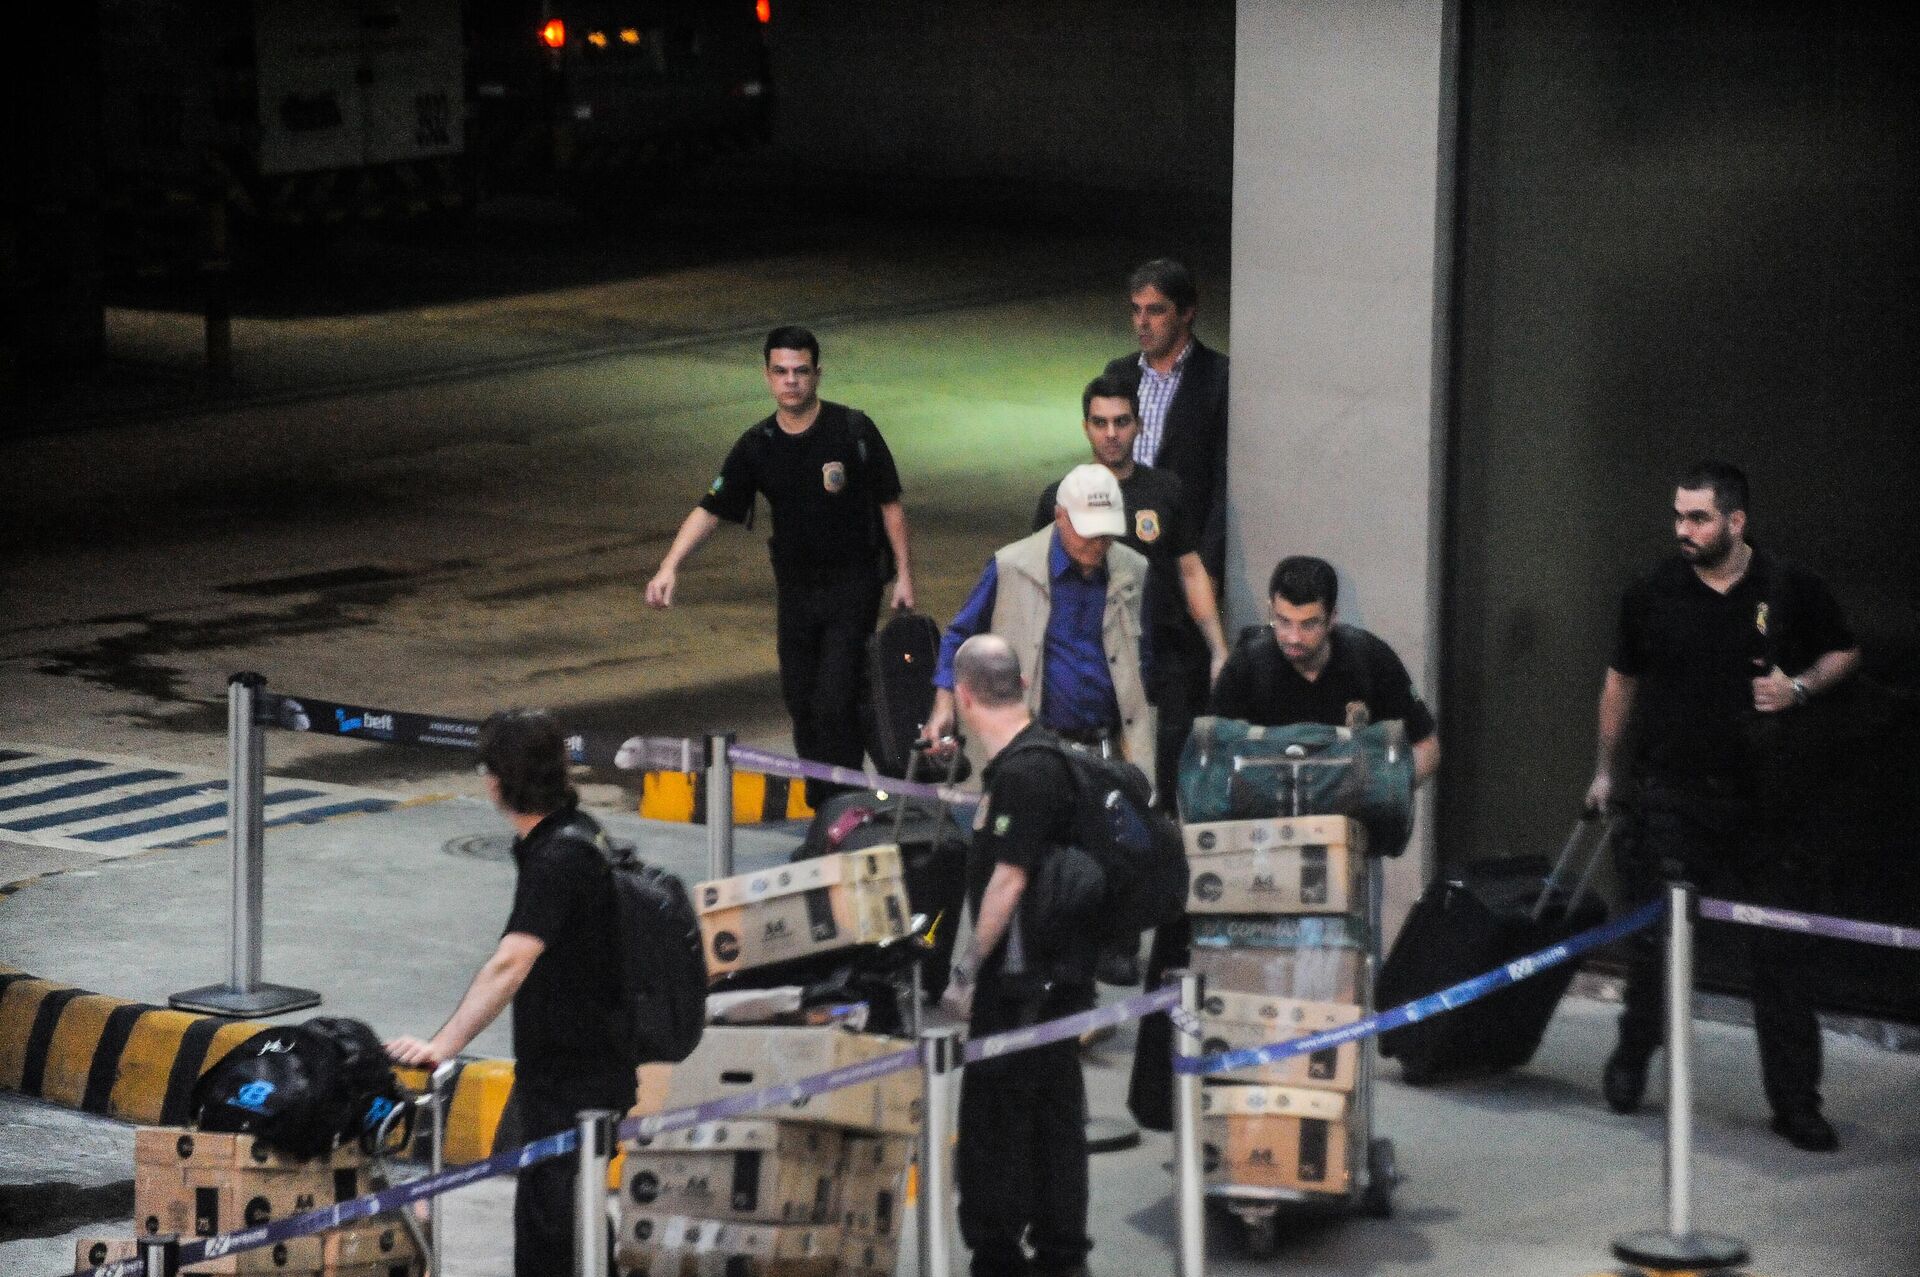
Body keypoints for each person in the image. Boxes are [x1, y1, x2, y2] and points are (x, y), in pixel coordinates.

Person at [1586, 461, 1859, 1151]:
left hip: (1767, 802)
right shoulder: (1651, 591)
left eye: (1698, 517)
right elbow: (1620, 681)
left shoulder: (1789, 587)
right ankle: (1630, 1057)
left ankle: (1797, 1102)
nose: (1684, 529)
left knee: (1782, 955)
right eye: (1678, 516)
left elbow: (1844, 652)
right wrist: (1603, 771)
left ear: (1736, 521)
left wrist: (1797, 688)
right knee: (1657, 947)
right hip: (1671, 794)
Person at [386, 709, 630, 1276]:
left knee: (554, 1229)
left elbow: (510, 964)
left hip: (577, 1073)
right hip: (581, 1062)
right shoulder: (574, 833)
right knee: (574, 1217)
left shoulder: (558, 857)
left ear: (496, 780)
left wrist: (442, 1044)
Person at [645, 326, 915, 805]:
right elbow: (712, 508)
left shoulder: (851, 430)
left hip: (854, 584)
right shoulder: (758, 444)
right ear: (767, 376)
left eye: (801, 371)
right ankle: (822, 806)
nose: (791, 381)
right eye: (781, 372)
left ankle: (845, 804)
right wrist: (671, 565)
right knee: (801, 701)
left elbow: (890, 502)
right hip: (796, 590)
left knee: (836, 700)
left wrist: (905, 577)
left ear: (817, 373)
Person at [941, 635, 1099, 1277]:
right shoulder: (1044, 758)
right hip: (1057, 978)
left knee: (998, 1119)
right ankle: (1060, 1250)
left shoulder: (1026, 774)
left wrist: (964, 975)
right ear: (1023, 685)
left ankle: (1005, 1251)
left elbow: (1008, 883)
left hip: (1020, 984)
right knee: (1053, 1112)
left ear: (963, 695)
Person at [1032, 374, 1230, 810]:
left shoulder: (1165, 490)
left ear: (1138, 425)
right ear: (1085, 427)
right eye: (1100, 423)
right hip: (1095, 653)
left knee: (1169, 770)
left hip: (1165, 650)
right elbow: (1039, 583)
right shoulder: (1059, 500)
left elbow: (1191, 570)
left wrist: (1217, 648)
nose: (1111, 433)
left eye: (1121, 422)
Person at [923, 463, 1157, 794]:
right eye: (1088, 532)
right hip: (1033, 753)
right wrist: (944, 704)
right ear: (1060, 517)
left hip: (1109, 754)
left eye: (1107, 534)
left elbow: (1142, 659)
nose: (1098, 544)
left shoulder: (1134, 570)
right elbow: (960, 636)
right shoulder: (1011, 567)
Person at [1208, 555, 1441, 784]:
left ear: (1332, 619)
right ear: (1271, 611)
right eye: (1283, 621)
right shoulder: (1246, 666)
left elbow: (1426, 747)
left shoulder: (1370, 658)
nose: (1294, 637)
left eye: (1309, 624)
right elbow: (1210, 757)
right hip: (1269, 814)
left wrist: (1384, 792)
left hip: (1355, 811)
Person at [1102, 259, 1230, 582]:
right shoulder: (1119, 373)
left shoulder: (1218, 378)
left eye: (1155, 310)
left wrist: (1209, 567)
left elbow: (1221, 483)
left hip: (1180, 554)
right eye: (1136, 310)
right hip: (1119, 544)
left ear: (1186, 312)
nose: (1142, 322)